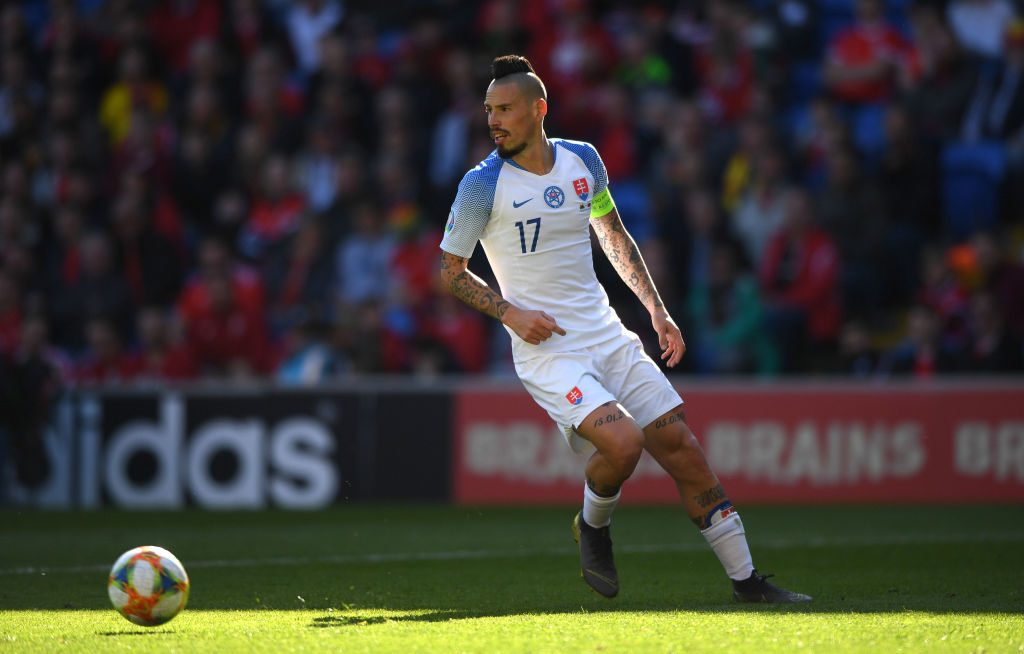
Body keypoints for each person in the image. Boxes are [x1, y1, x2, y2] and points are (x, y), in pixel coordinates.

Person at [438, 54, 810, 604]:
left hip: (607, 334)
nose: (493, 120)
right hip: (547, 351)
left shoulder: (583, 160)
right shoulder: (480, 185)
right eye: (489, 110)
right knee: (623, 442)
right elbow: (449, 271)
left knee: (683, 449)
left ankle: (748, 583)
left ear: (539, 109)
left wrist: (657, 311)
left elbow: (615, 238)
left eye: (505, 109)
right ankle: (593, 526)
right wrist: (509, 313)